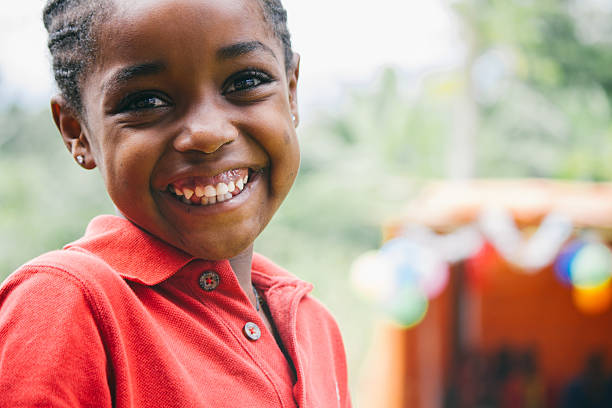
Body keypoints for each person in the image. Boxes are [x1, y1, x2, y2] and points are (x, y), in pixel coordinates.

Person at [0, 0, 351, 406]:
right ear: (76, 131)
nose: (207, 133)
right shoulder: (65, 304)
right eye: (145, 102)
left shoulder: (312, 324)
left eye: (246, 81)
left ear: (291, 93)